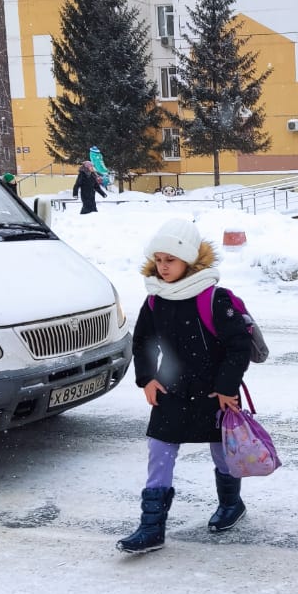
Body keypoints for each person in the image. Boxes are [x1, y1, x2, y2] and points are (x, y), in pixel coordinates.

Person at [117, 219, 253, 554]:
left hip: (214, 392)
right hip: (171, 389)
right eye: (158, 260)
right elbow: (144, 341)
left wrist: (225, 387)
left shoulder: (214, 298)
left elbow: (239, 347)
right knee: (160, 453)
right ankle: (151, 527)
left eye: (171, 260)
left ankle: (231, 504)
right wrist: (146, 377)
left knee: (222, 454)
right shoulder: (155, 299)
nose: (163, 267)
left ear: (189, 260)